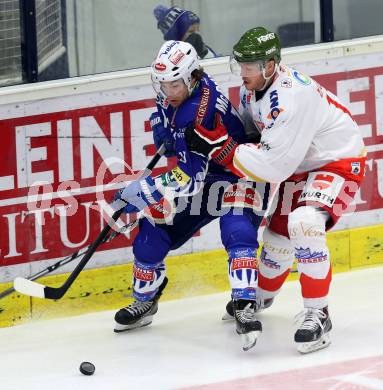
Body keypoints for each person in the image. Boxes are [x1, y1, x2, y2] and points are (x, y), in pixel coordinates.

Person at [185, 27, 366, 354]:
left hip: (338, 160)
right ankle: (262, 296)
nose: (243, 74)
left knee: (304, 224)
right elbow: (255, 138)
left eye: (249, 67)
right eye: (240, 66)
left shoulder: (292, 98)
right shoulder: (253, 88)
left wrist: (221, 149)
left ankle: (318, 313)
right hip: (301, 163)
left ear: (270, 65)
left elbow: (274, 167)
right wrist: (217, 137)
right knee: (276, 240)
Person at [112, 40, 270, 351]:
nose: (167, 91)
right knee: (153, 229)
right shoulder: (182, 91)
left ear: (191, 78)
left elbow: (187, 179)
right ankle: (145, 301)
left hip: (239, 175)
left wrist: (144, 189)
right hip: (207, 173)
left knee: (237, 230)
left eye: (174, 84)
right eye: (163, 83)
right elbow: (180, 147)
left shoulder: (195, 114)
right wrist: (167, 134)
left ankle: (245, 304)